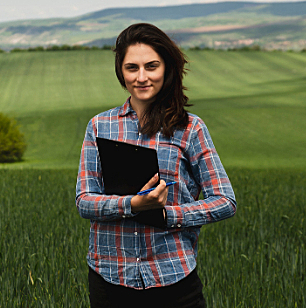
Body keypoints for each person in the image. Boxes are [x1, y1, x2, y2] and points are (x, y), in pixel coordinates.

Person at [75, 23, 237, 307]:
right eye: (132, 68)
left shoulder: (190, 128)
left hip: (173, 277)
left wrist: (167, 215)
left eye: (151, 66)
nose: (142, 77)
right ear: (121, 72)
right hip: (110, 278)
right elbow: (84, 201)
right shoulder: (99, 126)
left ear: (166, 68)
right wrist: (133, 205)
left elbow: (225, 201)